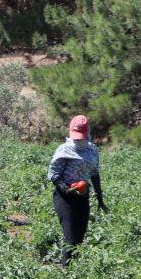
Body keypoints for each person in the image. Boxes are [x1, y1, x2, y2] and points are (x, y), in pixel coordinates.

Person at [48, 114, 108, 267]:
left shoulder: (93, 150)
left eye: (81, 136)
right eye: (76, 136)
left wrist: (100, 198)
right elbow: (53, 175)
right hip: (64, 197)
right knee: (71, 237)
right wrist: (66, 189)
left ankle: (75, 272)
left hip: (82, 196)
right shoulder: (64, 149)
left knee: (80, 238)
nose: (78, 140)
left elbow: (94, 174)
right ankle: (65, 271)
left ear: (87, 133)